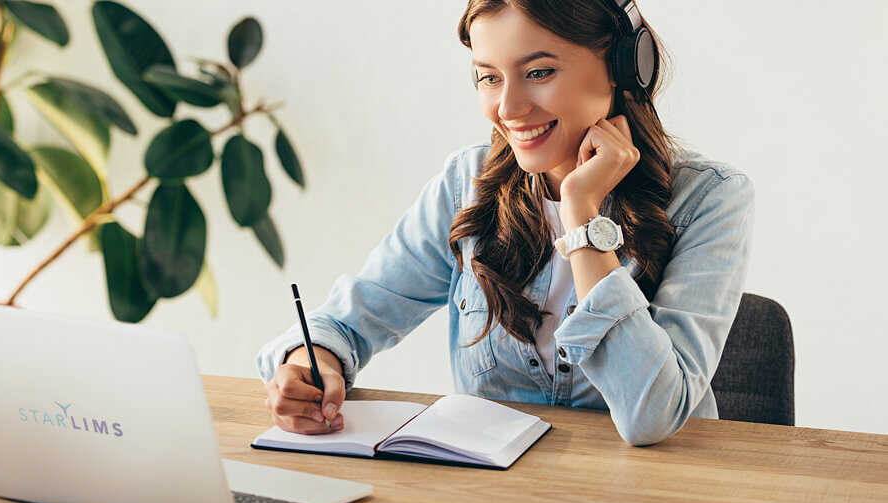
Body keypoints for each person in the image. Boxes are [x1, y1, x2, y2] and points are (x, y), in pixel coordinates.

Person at [256, 0, 754, 446]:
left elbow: (653, 416)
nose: (508, 109)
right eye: (489, 77)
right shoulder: (465, 183)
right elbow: (346, 321)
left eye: (538, 72)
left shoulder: (710, 198)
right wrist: (310, 360)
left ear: (624, 68)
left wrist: (580, 211)